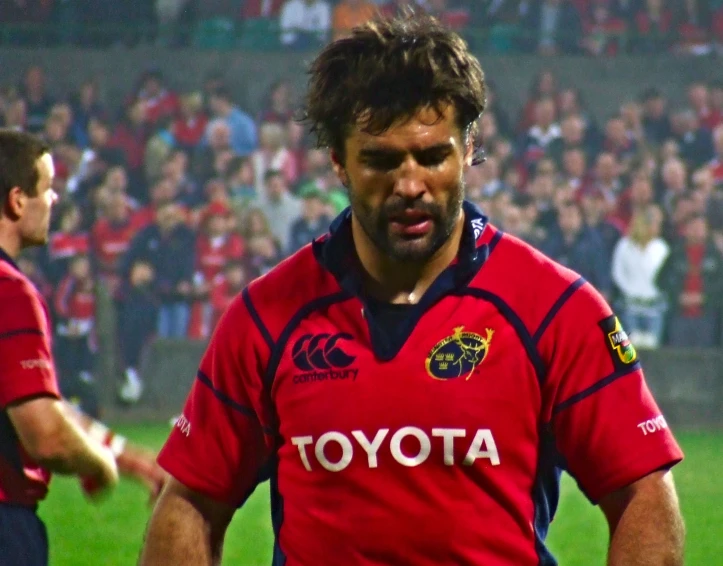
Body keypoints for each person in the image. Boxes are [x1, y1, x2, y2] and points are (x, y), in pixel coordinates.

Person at [140, 15, 685, 566]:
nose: (409, 185)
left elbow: (642, 490)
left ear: (468, 148)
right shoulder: (265, 316)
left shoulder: (554, 308)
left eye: (432, 156)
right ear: (338, 161)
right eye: (379, 159)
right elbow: (190, 503)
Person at [0, 129, 166, 566]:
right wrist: (100, 466)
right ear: (17, 201)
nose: (54, 201)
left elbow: (38, 401)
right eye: (47, 189)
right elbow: (46, 433)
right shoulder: (10, 292)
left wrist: (125, 457)